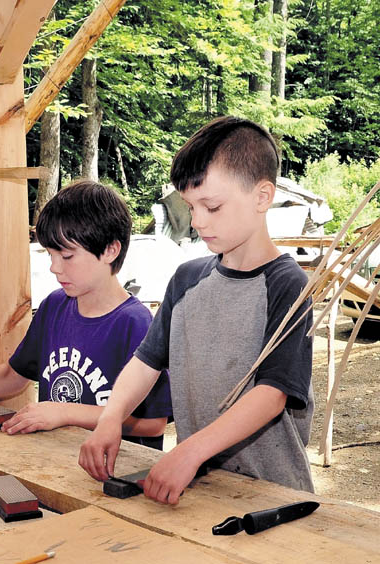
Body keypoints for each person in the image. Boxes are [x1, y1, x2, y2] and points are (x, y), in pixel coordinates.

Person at [79, 116, 315, 503]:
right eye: (191, 207)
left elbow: (272, 393)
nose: (197, 221)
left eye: (212, 206)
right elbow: (146, 362)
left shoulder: (287, 285)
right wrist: (111, 417)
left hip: (274, 497)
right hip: (203, 488)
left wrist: (187, 451)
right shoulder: (187, 280)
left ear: (262, 197)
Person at [0, 180, 171, 447]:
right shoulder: (54, 306)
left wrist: (64, 413)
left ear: (111, 250)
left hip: (117, 475)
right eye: (50, 254)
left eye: (66, 256)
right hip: (56, 462)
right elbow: (13, 375)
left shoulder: (135, 324)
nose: (54, 267)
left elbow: (153, 424)